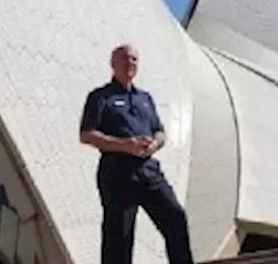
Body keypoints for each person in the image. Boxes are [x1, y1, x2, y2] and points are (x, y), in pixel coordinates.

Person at [79, 44, 194, 264]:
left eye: (134, 59)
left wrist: (155, 144)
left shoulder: (145, 98)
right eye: (125, 58)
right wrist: (125, 145)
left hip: (148, 170)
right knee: (119, 239)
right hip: (117, 174)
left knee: (175, 218)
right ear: (113, 64)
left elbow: (159, 131)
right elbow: (87, 134)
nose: (130, 63)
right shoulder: (100, 97)